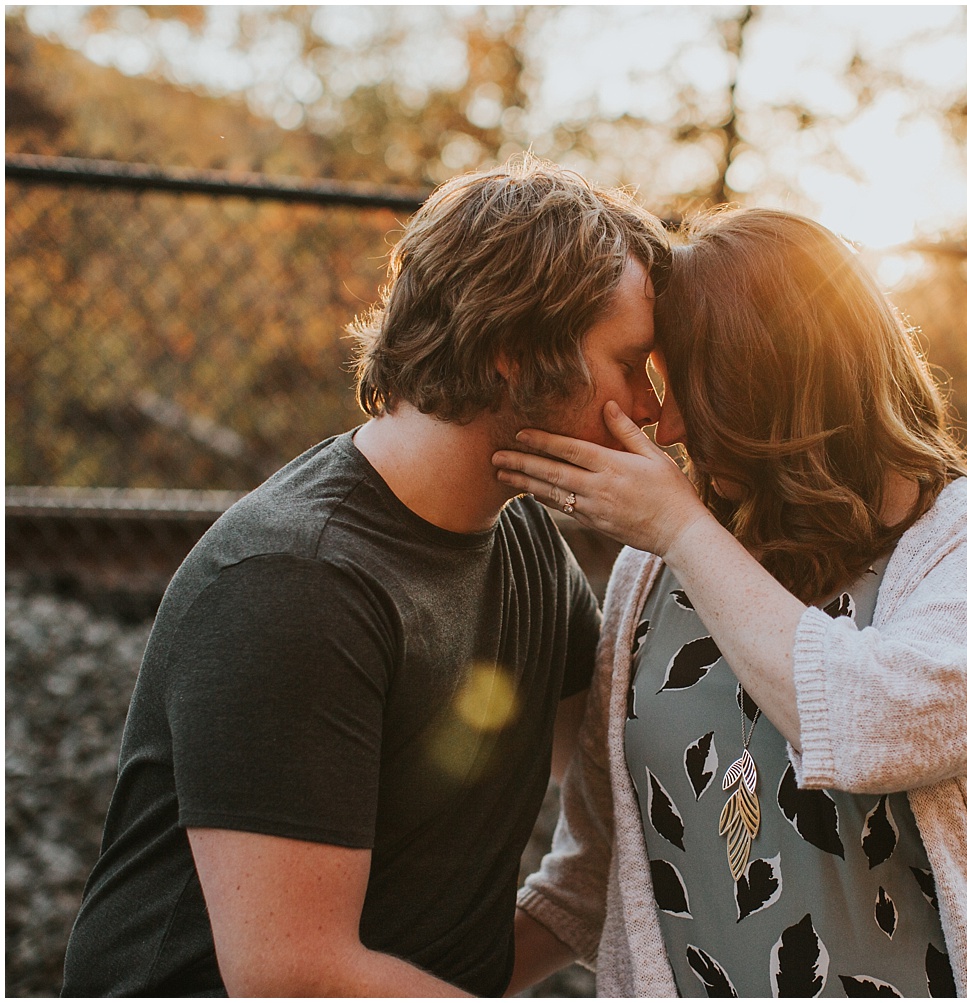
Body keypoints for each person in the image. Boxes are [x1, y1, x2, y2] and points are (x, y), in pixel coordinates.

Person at [61, 156, 672, 997]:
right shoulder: (297, 580)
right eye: (631, 362)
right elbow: (292, 974)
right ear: (510, 351)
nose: (649, 407)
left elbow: (628, 775)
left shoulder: (523, 532)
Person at [494, 207, 967, 997]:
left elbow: (876, 723)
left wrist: (678, 525)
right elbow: (594, 869)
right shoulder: (652, 570)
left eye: (687, 383)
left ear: (773, 383)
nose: (663, 422)